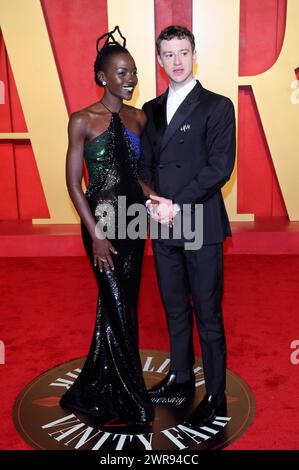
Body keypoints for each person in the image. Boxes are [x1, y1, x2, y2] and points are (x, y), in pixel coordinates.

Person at [139, 25, 236, 425]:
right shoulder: (149, 109)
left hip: (198, 220)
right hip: (162, 223)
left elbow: (219, 167)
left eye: (183, 52)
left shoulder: (218, 105)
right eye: (168, 54)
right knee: (175, 307)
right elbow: (142, 166)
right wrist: (150, 201)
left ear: (195, 54)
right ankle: (180, 377)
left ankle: (215, 393)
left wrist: (174, 204)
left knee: (208, 311)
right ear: (159, 60)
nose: (176, 61)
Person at [60, 27, 154, 427]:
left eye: (132, 72)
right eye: (121, 73)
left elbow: (136, 174)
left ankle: (98, 384)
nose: (129, 79)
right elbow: (73, 182)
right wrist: (96, 233)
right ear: (102, 77)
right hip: (102, 225)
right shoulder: (82, 119)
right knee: (118, 307)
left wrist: (154, 198)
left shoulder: (139, 118)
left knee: (120, 307)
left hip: (134, 222)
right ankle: (134, 400)